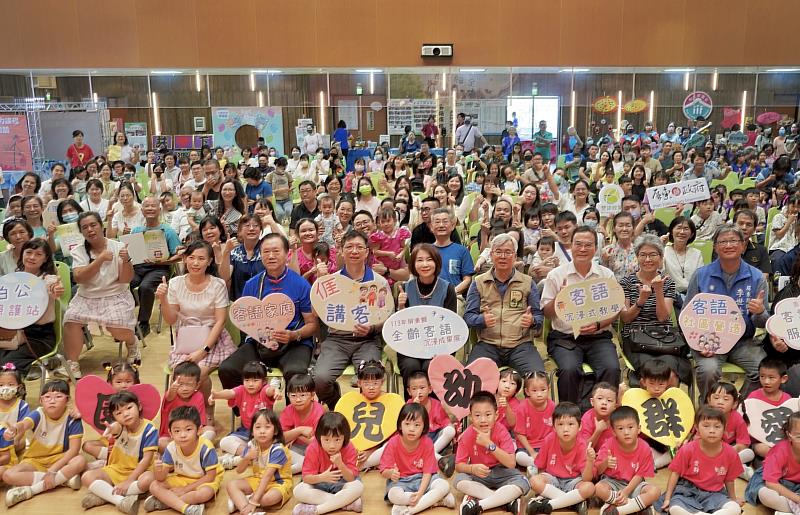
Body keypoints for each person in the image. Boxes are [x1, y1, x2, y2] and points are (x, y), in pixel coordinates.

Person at [218, 233, 318, 392]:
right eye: (266, 251)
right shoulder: (252, 284)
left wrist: (294, 335)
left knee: (295, 373)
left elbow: (312, 324)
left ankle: (290, 415)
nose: (271, 256)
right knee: (227, 369)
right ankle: (248, 411)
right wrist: (258, 332)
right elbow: (244, 320)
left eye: (276, 251)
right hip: (259, 343)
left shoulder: (300, 284)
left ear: (287, 254)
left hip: (294, 343)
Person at [540, 226, 621, 408]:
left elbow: (615, 310)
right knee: (568, 370)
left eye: (588, 245)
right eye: (578, 244)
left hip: (598, 337)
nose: (582, 249)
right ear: (571, 246)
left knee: (612, 368)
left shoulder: (606, 275)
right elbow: (547, 312)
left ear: (595, 248)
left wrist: (599, 324)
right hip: (565, 338)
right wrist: (560, 299)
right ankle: (569, 418)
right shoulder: (556, 275)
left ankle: (603, 416)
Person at [686, 225, 768, 400]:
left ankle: (738, 406)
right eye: (723, 241)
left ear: (743, 245)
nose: (728, 245)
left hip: (742, 342)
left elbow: (764, 322)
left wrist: (759, 312)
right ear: (715, 247)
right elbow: (686, 315)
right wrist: (701, 343)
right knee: (708, 370)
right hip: (709, 342)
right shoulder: (701, 275)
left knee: (763, 370)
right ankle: (708, 410)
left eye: (733, 241)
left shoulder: (757, 277)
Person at [313, 230, 389, 409]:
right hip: (336, 340)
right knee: (320, 380)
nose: (354, 251)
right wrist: (319, 284)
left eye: (359, 247)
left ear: (367, 251)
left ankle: (365, 416)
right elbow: (316, 314)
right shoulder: (331, 281)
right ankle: (338, 405)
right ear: (341, 250)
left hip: (367, 340)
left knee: (371, 378)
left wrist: (371, 329)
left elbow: (386, 318)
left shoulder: (378, 282)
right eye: (349, 247)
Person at [156, 239, 236, 400]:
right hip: (187, 339)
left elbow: (220, 321)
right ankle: (185, 414)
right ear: (185, 259)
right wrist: (163, 300)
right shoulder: (175, 283)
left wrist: (203, 350)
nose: (195, 263)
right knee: (181, 376)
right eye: (191, 257)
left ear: (209, 261)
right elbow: (171, 320)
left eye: (201, 258)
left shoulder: (217, 284)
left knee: (199, 373)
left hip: (214, 340)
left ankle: (206, 411)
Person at [63, 212, 138, 378]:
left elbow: (126, 279)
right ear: (81, 232)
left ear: (101, 226)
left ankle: (132, 343)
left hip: (115, 295)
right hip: (86, 296)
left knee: (117, 328)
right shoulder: (78, 251)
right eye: (85, 227)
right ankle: (73, 363)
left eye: (93, 225)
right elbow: (79, 277)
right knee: (71, 319)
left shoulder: (118, 247)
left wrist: (126, 261)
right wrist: (100, 259)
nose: (90, 230)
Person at [464, 233, 543, 377]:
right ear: (491, 255)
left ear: (515, 256)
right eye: (498, 252)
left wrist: (532, 321)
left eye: (508, 252)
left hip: (521, 345)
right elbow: (468, 317)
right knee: (471, 379)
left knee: (537, 378)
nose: (503, 256)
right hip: (488, 344)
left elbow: (538, 317)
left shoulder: (527, 282)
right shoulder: (478, 282)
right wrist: (482, 320)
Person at [2, 379, 86, 508]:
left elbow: (73, 450)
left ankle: (33, 490)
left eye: (58, 396)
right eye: (47, 397)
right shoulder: (39, 413)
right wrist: (15, 429)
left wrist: (52, 471)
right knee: (8, 475)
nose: (52, 401)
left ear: (67, 400)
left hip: (60, 458)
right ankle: (63, 480)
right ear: (41, 401)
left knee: (80, 460)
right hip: (35, 460)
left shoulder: (73, 419)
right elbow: (24, 424)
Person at [620, 234, 691, 386]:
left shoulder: (667, 282)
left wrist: (658, 290)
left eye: (653, 255)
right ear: (637, 257)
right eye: (643, 255)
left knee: (670, 375)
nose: (648, 260)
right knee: (651, 374)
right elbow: (625, 318)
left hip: (664, 339)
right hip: (635, 339)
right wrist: (641, 300)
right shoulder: (626, 282)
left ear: (660, 257)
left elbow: (663, 317)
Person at [79, 391, 157, 514]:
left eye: (129, 408)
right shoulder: (119, 426)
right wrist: (112, 429)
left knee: (149, 479)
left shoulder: (149, 428)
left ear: (139, 406)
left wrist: (129, 480)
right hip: (117, 469)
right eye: (119, 413)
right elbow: (116, 428)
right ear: (114, 417)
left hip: (140, 471)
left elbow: (146, 459)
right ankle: (120, 500)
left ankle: (105, 495)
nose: (125, 414)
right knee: (86, 477)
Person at [453, 391, 530, 515]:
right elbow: (458, 466)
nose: (483, 420)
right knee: (459, 481)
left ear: (496, 415)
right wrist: (472, 468)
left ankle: (480, 504)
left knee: (523, 482)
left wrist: (489, 444)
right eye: (477, 415)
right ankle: (505, 501)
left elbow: (511, 463)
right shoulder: (467, 435)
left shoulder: (501, 431)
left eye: (488, 415)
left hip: (502, 471)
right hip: (479, 474)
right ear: (471, 417)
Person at [657, 407, 744, 515]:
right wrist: (667, 499)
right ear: (697, 427)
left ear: (724, 428)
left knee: (734, 508)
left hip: (714, 493)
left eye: (717, 427)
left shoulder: (730, 452)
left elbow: (729, 480)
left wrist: (733, 499)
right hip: (686, 491)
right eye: (706, 426)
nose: (712, 430)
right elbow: (675, 474)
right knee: (675, 508)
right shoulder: (687, 449)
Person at [140, 405, 223, 515]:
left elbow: (210, 476)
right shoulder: (171, 447)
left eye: (188, 429)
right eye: (177, 431)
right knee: (154, 485)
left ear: (199, 430)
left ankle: (166, 502)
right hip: (182, 478)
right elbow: (161, 478)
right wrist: (157, 469)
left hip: (204, 479)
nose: (182, 435)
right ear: (170, 433)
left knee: (204, 494)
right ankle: (187, 508)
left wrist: (185, 489)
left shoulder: (206, 447)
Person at [0, 239, 63, 376]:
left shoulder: (49, 279)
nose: (32, 257)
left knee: (7, 367)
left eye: (38, 254)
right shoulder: (13, 278)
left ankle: (17, 390)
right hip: (12, 334)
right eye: (28, 252)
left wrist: (57, 290)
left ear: (45, 258)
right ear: (22, 254)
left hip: (39, 338)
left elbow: (56, 289)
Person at [395, 244, 457, 384]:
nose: (425, 264)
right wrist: (400, 306)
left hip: (439, 345)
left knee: (432, 366)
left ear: (436, 262)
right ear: (413, 264)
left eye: (429, 259)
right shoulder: (405, 288)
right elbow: (398, 327)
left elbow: (451, 324)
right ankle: (412, 405)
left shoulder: (448, 289)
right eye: (419, 260)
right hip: (410, 346)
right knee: (412, 367)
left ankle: (434, 406)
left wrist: (441, 349)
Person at [379, 404, 454, 515]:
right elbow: (383, 471)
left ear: (424, 427)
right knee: (393, 495)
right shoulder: (393, 443)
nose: (411, 429)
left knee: (443, 485)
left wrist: (420, 493)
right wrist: (391, 473)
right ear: (400, 425)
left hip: (423, 480)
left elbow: (427, 473)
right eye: (407, 424)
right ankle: (436, 500)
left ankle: (408, 511)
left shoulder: (427, 442)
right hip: (401, 481)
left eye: (417, 425)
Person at [526, 402, 595, 515]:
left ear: (580, 426)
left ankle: (549, 504)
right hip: (553, 479)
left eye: (571, 424)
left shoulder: (582, 444)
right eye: (560, 424)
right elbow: (541, 468)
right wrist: (541, 486)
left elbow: (587, 478)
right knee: (534, 481)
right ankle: (574, 503)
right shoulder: (549, 440)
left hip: (573, 482)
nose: (565, 429)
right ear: (553, 427)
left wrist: (590, 461)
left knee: (589, 488)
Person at [291, 412, 364, 515]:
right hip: (319, 483)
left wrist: (340, 464)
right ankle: (346, 504)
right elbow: (307, 477)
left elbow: (351, 478)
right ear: (319, 437)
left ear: (345, 437)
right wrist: (322, 477)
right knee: (298, 490)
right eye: (326, 440)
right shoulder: (313, 448)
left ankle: (317, 510)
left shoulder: (349, 447)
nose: (332, 445)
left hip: (341, 482)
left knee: (358, 486)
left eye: (337, 440)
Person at [130, 196, 182, 338]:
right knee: (124, 283)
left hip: (159, 268)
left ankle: (144, 323)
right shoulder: (136, 230)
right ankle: (125, 320)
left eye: (153, 206)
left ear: (159, 210)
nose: (150, 209)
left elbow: (179, 255)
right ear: (142, 210)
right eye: (147, 206)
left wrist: (162, 261)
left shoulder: (168, 231)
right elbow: (131, 254)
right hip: (139, 267)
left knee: (145, 287)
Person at [594, 406, 661, 515]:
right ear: (614, 431)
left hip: (634, 484)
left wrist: (626, 492)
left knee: (655, 491)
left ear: (638, 428)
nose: (626, 432)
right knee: (598, 488)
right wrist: (605, 463)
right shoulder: (609, 444)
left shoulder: (644, 447)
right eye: (620, 428)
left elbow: (640, 475)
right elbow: (598, 470)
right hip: (613, 482)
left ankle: (619, 509)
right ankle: (636, 507)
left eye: (630, 427)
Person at [226, 408, 293, 513]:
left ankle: (242, 502)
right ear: (252, 431)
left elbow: (267, 476)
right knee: (231, 484)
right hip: (258, 479)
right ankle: (246, 509)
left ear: (275, 431)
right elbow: (239, 470)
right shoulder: (252, 444)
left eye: (267, 427)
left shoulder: (278, 449)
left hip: (278, 483)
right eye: (257, 427)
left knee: (269, 498)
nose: (262, 431)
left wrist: (254, 502)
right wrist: (247, 457)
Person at [744, 411, 800, 514]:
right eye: (799, 437)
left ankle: (786, 510)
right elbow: (771, 483)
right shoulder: (780, 450)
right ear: (789, 435)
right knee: (765, 494)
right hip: (774, 482)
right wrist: (796, 499)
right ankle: (790, 509)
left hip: (797, 486)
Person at [280, 374, 325, 474]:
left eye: (303, 395)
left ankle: (282, 473)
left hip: (315, 449)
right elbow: (281, 438)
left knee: (320, 457)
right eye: (293, 396)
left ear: (313, 395)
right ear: (288, 395)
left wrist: (295, 435)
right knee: (276, 449)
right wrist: (299, 430)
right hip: (295, 448)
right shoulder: (288, 410)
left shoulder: (318, 411)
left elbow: (318, 442)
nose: (298, 400)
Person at [513, 372, 554, 473]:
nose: (539, 394)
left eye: (543, 390)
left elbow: (554, 430)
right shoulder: (522, 408)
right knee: (519, 457)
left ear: (548, 389)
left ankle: (536, 466)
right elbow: (520, 434)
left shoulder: (552, 406)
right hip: (527, 446)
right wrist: (531, 452)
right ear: (527, 391)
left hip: (546, 445)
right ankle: (536, 464)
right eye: (534, 390)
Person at [219, 214, 266, 300]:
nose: (251, 228)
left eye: (255, 225)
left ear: (260, 230)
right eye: (247, 225)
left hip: (263, 302)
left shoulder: (266, 250)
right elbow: (224, 278)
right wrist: (226, 252)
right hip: (239, 303)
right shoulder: (234, 252)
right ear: (240, 231)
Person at [663, 217, 703, 303]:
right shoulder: (664, 251)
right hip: (670, 296)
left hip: (693, 296)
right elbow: (659, 272)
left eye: (686, 229)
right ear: (671, 232)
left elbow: (700, 278)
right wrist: (659, 247)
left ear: (691, 234)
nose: (682, 232)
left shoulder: (697, 253)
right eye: (679, 228)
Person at [266, 157, 293, 224]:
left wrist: (291, 189)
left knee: (288, 211)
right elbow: (268, 191)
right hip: (276, 201)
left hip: (287, 199)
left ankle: (289, 222)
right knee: (280, 213)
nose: (283, 169)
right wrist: (279, 190)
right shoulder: (270, 175)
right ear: (277, 166)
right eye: (281, 167)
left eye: (285, 167)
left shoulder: (287, 174)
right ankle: (278, 225)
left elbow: (291, 185)